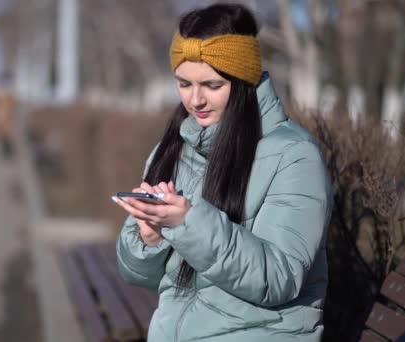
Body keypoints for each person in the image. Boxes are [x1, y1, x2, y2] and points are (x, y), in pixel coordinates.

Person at [112, 4, 332, 341]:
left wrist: (188, 225)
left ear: (243, 80)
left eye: (212, 85)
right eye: (184, 84)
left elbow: (278, 278)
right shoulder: (172, 148)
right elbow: (138, 275)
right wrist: (149, 239)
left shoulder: (294, 156)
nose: (195, 100)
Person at [0, 74, 16, 160]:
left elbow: (12, 105)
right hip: (1, 117)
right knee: (2, 135)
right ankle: (5, 152)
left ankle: (7, 152)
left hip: (7, 117)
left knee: (7, 136)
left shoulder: (8, 94)